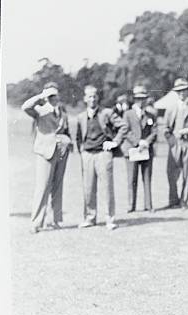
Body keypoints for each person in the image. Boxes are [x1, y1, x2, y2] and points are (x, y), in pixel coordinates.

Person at [22, 83, 73, 233]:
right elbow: (25, 107)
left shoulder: (63, 112)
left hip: (61, 152)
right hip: (45, 152)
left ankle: (55, 220)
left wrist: (67, 142)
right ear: (46, 96)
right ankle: (36, 223)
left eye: (55, 95)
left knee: (58, 186)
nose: (53, 98)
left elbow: (65, 131)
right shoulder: (39, 110)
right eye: (50, 95)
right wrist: (40, 96)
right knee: (42, 187)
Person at [75, 85, 127, 230]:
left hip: (103, 155)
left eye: (94, 96)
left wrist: (114, 142)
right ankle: (90, 218)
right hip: (88, 155)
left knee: (107, 188)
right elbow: (78, 137)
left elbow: (123, 126)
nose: (92, 99)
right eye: (89, 96)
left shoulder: (107, 113)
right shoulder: (80, 117)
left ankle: (110, 219)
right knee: (88, 188)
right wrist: (82, 151)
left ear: (98, 98)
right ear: (85, 99)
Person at [164, 78, 188, 208]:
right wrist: (171, 142)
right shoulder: (171, 108)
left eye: (184, 90)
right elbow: (165, 129)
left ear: (187, 91)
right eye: (179, 91)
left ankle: (184, 201)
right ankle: (173, 201)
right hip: (174, 145)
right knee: (170, 173)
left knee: (187, 174)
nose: (181, 93)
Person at [121, 85, 158, 212]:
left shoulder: (151, 115)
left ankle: (148, 205)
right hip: (132, 150)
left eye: (143, 98)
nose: (141, 101)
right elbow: (125, 131)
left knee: (147, 178)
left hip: (146, 150)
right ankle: (131, 206)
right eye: (138, 98)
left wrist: (146, 142)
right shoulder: (127, 114)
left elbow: (154, 131)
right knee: (132, 179)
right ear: (134, 99)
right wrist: (138, 142)